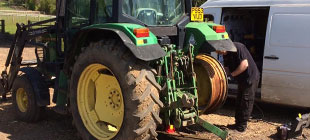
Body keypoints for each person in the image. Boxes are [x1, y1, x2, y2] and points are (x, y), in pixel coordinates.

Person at [216, 42, 260, 132]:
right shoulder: (226, 54)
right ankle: (237, 123)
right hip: (242, 79)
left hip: (250, 77)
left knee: (245, 101)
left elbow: (244, 64)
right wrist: (221, 75)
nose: (220, 53)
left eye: (220, 51)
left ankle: (241, 127)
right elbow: (227, 68)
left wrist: (231, 75)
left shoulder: (237, 47)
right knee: (239, 100)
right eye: (218, 52)